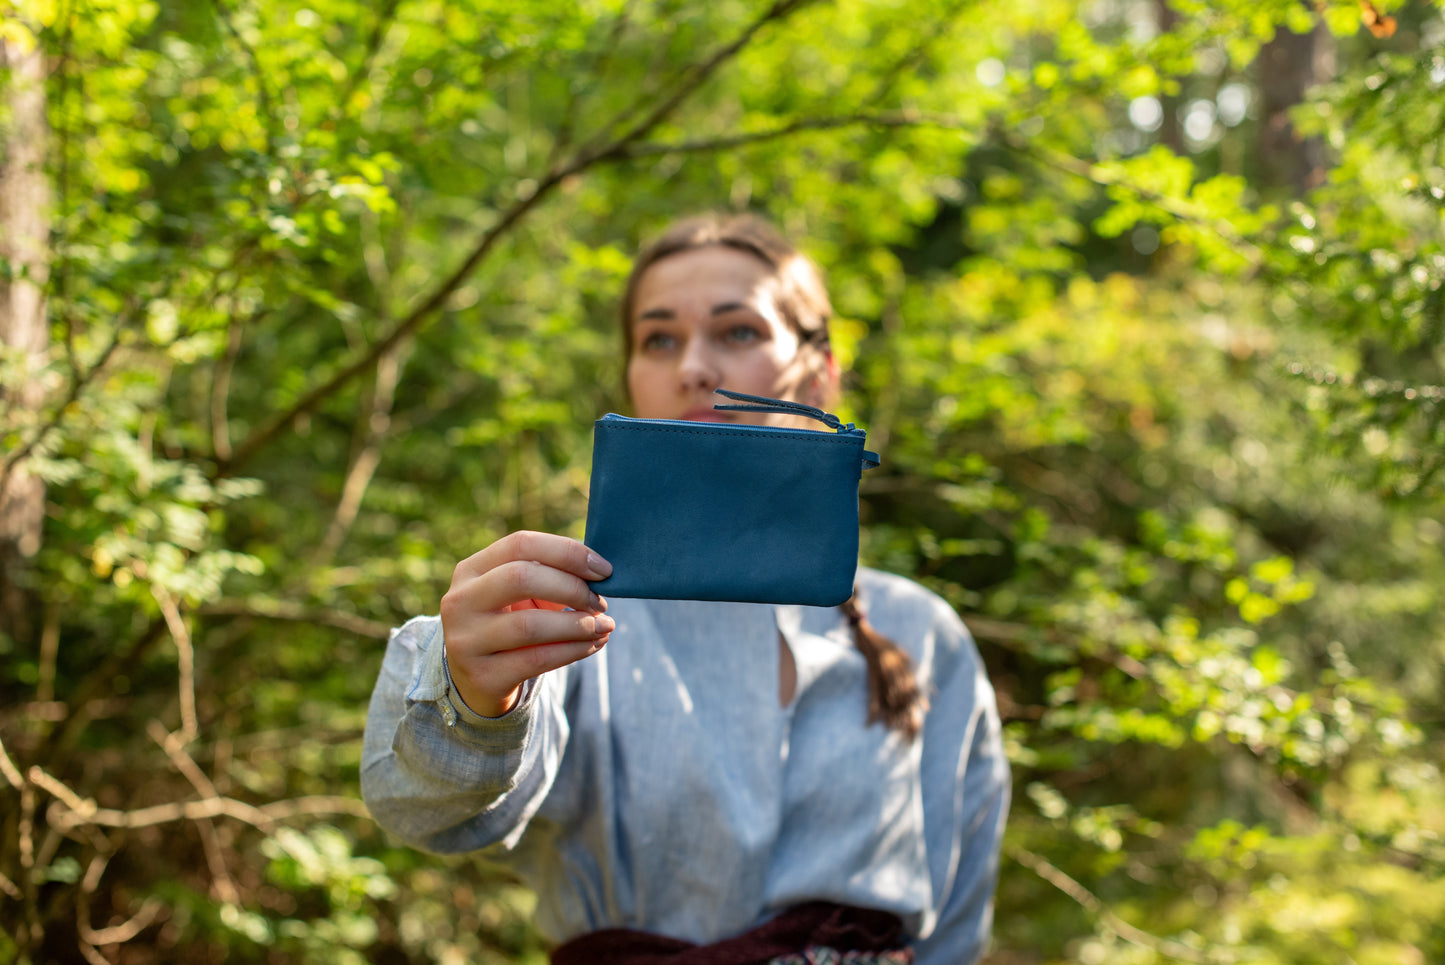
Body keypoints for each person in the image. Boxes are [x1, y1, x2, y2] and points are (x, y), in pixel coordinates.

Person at [361, 213, 1010, 964]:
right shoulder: (559, 609)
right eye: (659, 339)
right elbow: (425, 810)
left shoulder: (920, 629)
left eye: (738, 331)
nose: (694, 366)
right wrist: (473, 699)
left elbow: (958, 918)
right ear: (632, 380)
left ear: (820, 372)